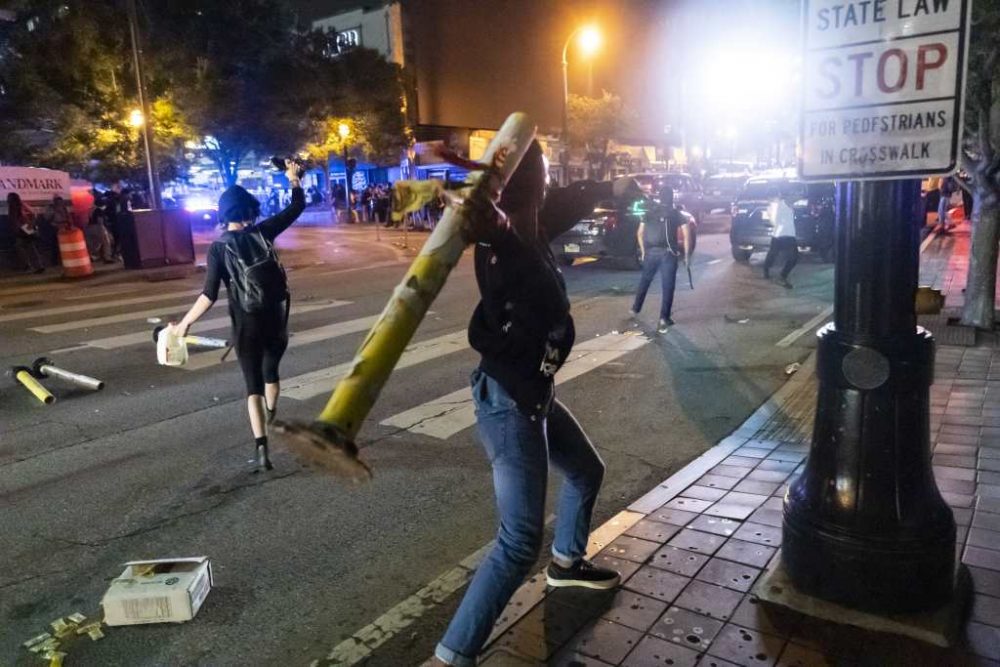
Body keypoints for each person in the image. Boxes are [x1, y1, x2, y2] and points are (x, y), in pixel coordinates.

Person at [432, 141, 642, 667]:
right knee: (518, 540)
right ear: (529, 187)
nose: (551, 184)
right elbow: (500, 232)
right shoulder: (509, 240)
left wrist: (609, 186)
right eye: (545, 176)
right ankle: (451, 656)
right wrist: (488, 217)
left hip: (534, 393)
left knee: (586, 470)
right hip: (510, 403)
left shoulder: (533, 225)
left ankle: (567, 563)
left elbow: (565, 203)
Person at [173, 160, 306, 472]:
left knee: (252, 387)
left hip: (246, 326)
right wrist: (293, 179)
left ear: (224, 214)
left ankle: (261, 450)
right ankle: (273, 413)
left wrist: (184, 324)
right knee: (272, 373)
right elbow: (296, 206)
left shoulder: (218, 248)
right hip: (276, 318)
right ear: (249, 209)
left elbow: (208, 295)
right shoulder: (264, 232)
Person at [630, 186, 692, 333]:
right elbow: (687, 235)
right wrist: (687, 256)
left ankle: (635, 308)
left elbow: (639, 233)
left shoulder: (650, 212)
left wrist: (644, 251)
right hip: (668, 253)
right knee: (668, 286)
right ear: (672, 198)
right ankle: (664, 318)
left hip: (651, 252)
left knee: (645, 280)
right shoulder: (676, 214)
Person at [762, 189, 798, 289]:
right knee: (787, 257)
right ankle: (775, 273)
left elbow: (772, 222)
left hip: (782, 235)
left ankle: (773, 272)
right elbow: (797, 196)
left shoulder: (780, 204)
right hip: (783, 235)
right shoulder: (780, 204)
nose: (770, 200)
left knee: (776, 255)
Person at [8, 193, 45, 273]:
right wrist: (31, 223)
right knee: (30, 246)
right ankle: (38, 265)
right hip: (27, 227)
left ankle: (29, 266)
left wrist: (28, 224)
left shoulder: (13, 207)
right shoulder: (20, 205)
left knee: (21, 246)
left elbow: (15, 220)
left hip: (22, 228)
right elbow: (33, 213)